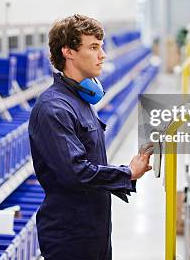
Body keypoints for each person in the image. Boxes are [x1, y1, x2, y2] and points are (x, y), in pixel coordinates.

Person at [28, 14, 153, 260]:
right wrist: (126, 173)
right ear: (68, 52)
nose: (102, 55)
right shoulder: (54, 108)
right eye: (93, 47)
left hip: (94, 229)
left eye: (101, 46)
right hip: (70, 236)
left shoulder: (81, 100)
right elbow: (76, 172)